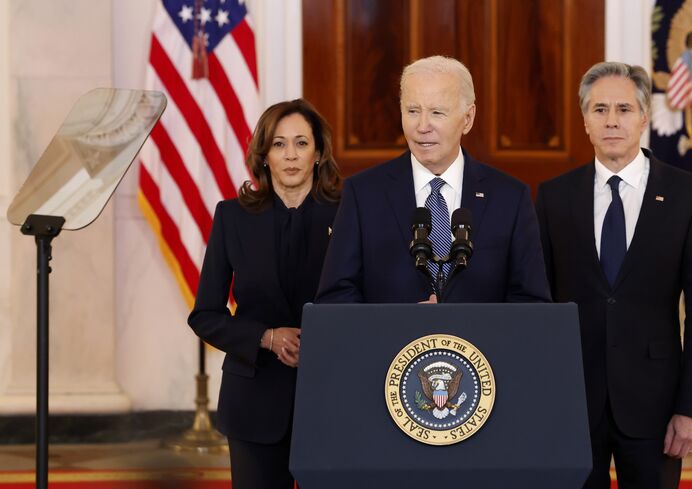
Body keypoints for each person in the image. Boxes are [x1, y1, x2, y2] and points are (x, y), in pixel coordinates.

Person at [536, 62, 692, 488]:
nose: (612, 121)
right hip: (573, 402)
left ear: (644, 117)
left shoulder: (688, 196)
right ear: (585, 120)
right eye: (600, 109)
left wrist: (691, 409)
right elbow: (538, 305)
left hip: (656, 405)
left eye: (624, 108)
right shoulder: (554, 196)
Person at [188, 99, 341, 489]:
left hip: (333, 398)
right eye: (278, 144)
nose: (290, 155)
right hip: (253, 401)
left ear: (319, 152)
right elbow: (205, 314)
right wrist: (266, 337)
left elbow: (370, 300)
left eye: (302, 143)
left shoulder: (347, 214)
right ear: (264, 155)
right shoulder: (232, 216)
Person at [316, 55, 549, 303]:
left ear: (467, 119)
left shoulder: (510, 197)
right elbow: (335, 297)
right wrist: (400, 326)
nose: (422, 126)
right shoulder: (363, 194)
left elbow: (531, 302)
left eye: (437, 112)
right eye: (413, 111)